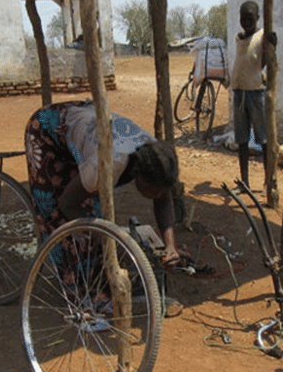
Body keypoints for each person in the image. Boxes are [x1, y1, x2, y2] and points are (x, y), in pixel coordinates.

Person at [24, 100, 181, 267]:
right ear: (138, 174)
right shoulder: (107, 166)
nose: (157, 196)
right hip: (48, 130)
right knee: (65, 230)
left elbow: (163, 199)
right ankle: (72, 285)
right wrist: (111, 243)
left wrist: (170, 246)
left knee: (96, 221)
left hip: (86, 133)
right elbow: (67, 204)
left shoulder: (157, 158)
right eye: (153, 191)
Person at [229, 1, 276, 188]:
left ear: (257, 17)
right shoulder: (239, 38)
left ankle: (268, 180)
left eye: (250, 17)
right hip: (239, 93)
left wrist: (272, 45)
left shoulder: (262, 36)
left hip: (256, 94)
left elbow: (264, 61)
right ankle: (244, 181)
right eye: (243, 17)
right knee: (241, 140)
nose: (246, 20)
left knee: (263, 139)